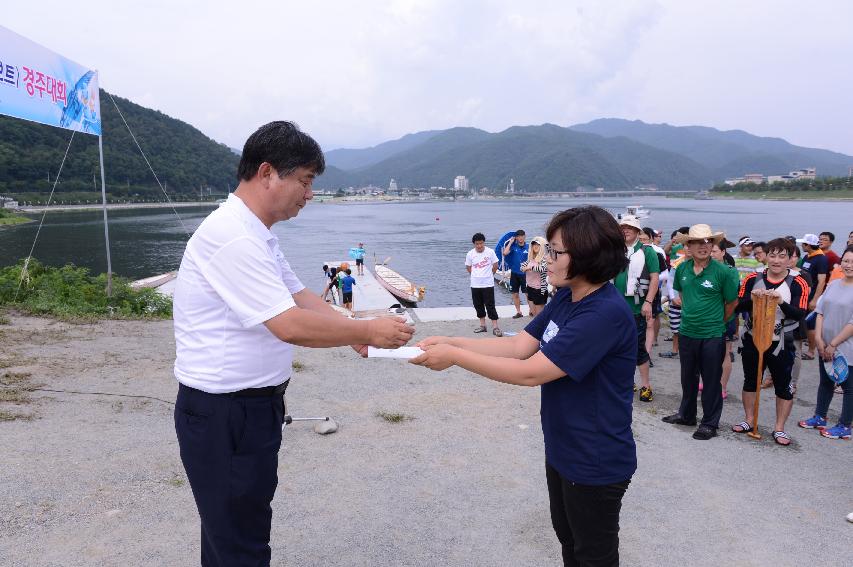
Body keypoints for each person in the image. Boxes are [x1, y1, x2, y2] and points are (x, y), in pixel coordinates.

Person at [172, 121, 414, 566]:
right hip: (224, 410)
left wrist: (354, 329)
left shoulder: (258, 234)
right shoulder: (232, 236)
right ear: (267, 173)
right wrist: (364, 332)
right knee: (240, 541)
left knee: (236, 530)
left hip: (251, 406)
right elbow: (287, 324)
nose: (309, 193)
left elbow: (299, 296)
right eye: (304, 181)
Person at [411, 205, 636, 567]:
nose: (544, 258)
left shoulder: (603, 313)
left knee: (593, 556)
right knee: (569, 543)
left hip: (595, 458)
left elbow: (531, 372)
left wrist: (454, 356)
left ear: (589, 254)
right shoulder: (568, 295)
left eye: (555, 251)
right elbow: (520, 346)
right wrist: (453, 341)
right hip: (564, 448)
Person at [662, 224, 739, 440]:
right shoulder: (683, 269)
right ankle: (687, 415)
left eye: (708, 241)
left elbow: (732, 303)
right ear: (688, 245)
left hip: (712, 334)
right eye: (698, 242)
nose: (704, 246)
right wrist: (690, 315)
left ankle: (709, 423)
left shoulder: (724, 272)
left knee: (711, 381)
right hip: (687, 332)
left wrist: (717, 321)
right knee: (688, 378)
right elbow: (683, 294)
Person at [732, 238, 809, 445]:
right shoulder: (752, 278)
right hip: (753, 337)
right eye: (772, 255)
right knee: (751, 380)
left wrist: (781, 301)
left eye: (782, 256)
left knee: (783, 385)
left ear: (790, 259)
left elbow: (800, 313)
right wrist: (753, 299)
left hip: (781, 341)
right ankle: (749, 419)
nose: (776, 260)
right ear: (766, 256)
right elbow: (739, 307)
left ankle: (779, 428)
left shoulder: (798, 282)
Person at [797, 245, 853, 440]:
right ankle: (820, 417)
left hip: (847, 347)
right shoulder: (834, 284)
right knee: (826, 382)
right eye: (846, 261)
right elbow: (820, 312)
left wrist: (833, 344)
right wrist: (819, 340)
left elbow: (852, 323)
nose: (849, 265)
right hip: (825, 344)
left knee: (848, 387)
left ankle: (845, 426)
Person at [614, 216, 660, 402]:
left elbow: (655, 278)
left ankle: (646, 385)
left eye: (630, 228)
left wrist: (648, 302)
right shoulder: (616, 251)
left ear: (637, 232)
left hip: (636, 306)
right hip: (616, 308)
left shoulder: (647, 252)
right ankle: (627, 381)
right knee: (619, 348)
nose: (626, 230)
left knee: (639, 348)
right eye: (623, 227)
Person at [711, 238, 739, 399]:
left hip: (724, 318)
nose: (712, 254)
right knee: (706, 352)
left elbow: (731, 297)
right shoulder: (704, 269)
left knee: (725, 352)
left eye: (715, 251)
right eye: (710, 251)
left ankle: (722, 386)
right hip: (707, 318)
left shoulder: (730, 271)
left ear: (723, 252)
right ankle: (706, 382)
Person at [797, 233, 829, 360]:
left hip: (812, 297)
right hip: (804, 295)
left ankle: (811, 352)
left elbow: (822, 280)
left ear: (808, 245)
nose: (801, 245)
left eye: (803, 244)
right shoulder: (807, 256)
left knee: (810, 324)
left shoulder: (821, 259)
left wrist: (815, 299)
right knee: (802, 321)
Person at [465, 232, 502, 336]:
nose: (479, 246)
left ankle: (495, 327)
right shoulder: (470, 254)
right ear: (474, 244)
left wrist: (490, 274)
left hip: (488, 283)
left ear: (484, 243)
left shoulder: (490, 252)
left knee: (490, 305)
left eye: (481, 243)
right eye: (477, 244)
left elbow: (495, 265)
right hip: (475, 284)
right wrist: (476, 275)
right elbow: (468, 267)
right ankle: (483, 326)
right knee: (478, 305)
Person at [502, 229, 530, 318]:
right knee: (515, 294)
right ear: (516, 238)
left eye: (522, 236)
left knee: (527, 294)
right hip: (514, 273)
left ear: (525, 236)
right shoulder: (513, 247)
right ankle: (519, 312)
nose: (520, 238)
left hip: (525, 274)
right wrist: (510, 242)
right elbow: (505, 253)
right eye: (518, 236)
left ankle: (531, 310)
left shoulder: (529, 247)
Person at [521, 236, 549, 317]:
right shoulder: (531, 258)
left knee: (539, 315)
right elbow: (522, 266)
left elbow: (542, 268)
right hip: (530, 287)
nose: (535, 246)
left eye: (538, 245)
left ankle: (541, 329)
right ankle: (537, 328)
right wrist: (523, 268)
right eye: (534, 244)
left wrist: (530, 267)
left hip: (539, 289)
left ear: (542, 247)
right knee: (533, 312)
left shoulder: (544, 258)